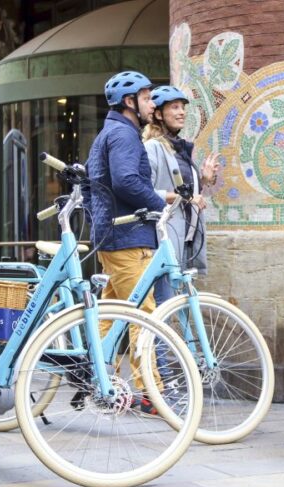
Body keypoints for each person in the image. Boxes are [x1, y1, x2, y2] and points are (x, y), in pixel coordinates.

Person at [82, 70, 166, 415]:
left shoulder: (109, 133)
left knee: (110, 314)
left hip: (112, 234)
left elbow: (91, 185)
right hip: (127, 235)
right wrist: (161, 203)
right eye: (147, 98)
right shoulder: (124, 135)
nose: (152, 103)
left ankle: (99, 380)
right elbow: (128, 181)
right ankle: (152, 393)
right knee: (143, 313)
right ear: (130, 102)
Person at [142, 85, 219, 305]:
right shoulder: (152, 148)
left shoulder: (179, 149)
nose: (182, 112)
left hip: (184, 239)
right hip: (164, 239)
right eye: (174, 107)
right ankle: (159, 341)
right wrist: (186, 197)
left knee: (180, 304)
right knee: (165, 303)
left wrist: (202, 180)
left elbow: (184, 193)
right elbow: (145, 191)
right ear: (158, 114)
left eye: (183, 107)